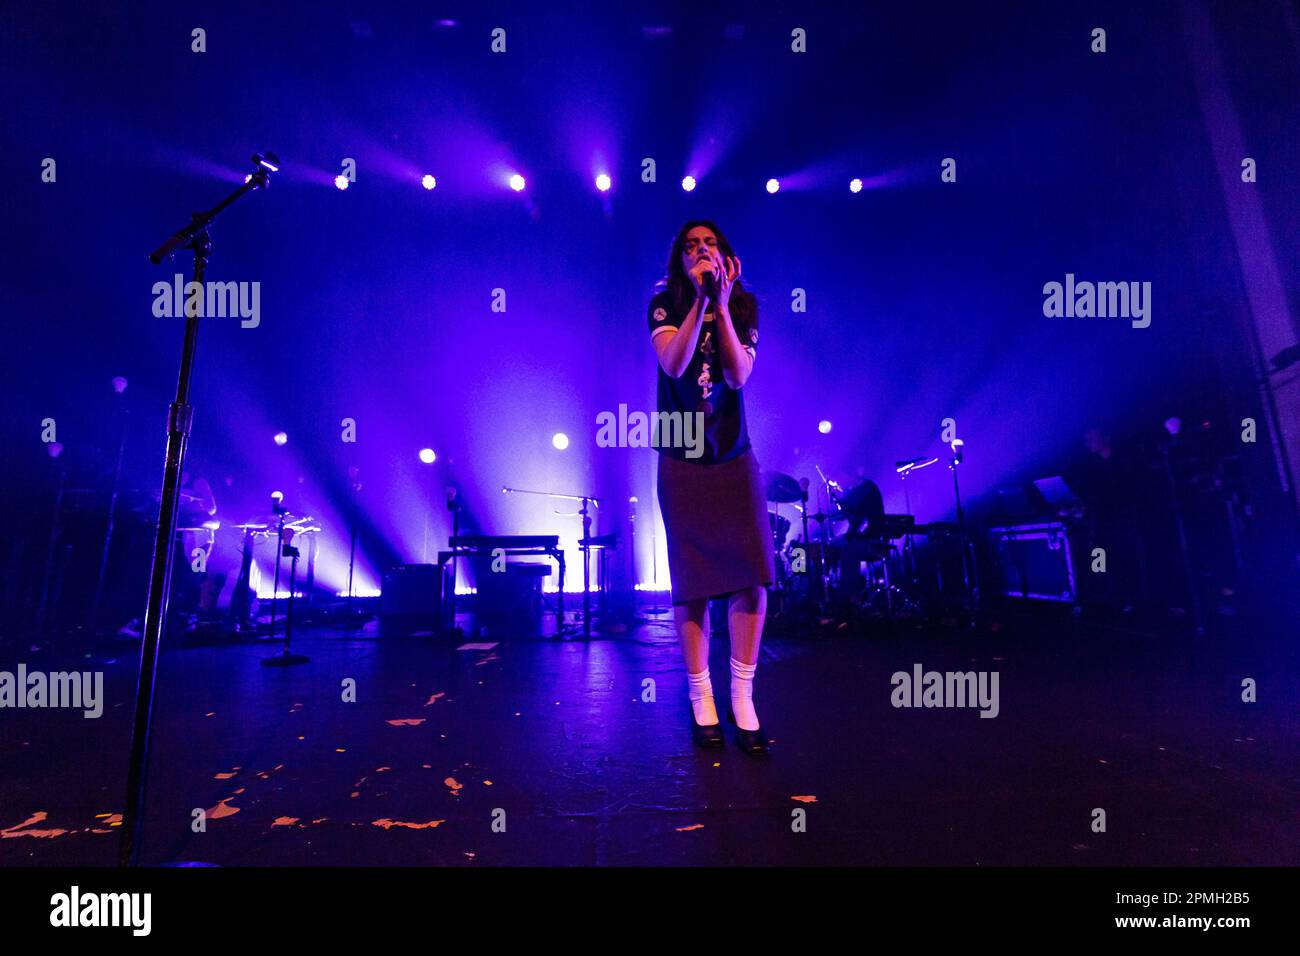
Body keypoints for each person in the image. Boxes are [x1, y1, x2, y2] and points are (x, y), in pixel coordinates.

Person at [647, 220, 774, 755]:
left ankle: (742, 697)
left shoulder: (744, 307)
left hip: (732, 453)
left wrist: (721, 304)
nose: (702, 251)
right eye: (692, 246)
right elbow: (674, 364)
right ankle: (702, 697)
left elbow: (738, 375)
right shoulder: (664, 303)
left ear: (727, 256)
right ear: (680, 259)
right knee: (693, 583)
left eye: (711, 244)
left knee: (752, 576)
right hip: (681, 455)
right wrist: (699, 302)